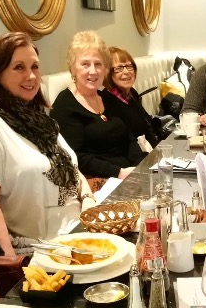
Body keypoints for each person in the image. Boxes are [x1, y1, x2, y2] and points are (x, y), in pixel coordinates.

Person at [0, 32, 95, 256]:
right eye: (19, 67)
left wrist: (88, 199)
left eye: (35, 66)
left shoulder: (37, 117)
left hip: (82, 231)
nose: (31, 76)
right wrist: (11, 266)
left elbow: (72, 166)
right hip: (43, 250)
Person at [51, 31, 144, 190]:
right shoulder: (64, 105)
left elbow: (129, 139)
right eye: (85, 64)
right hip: (95, 182)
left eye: (98, 64)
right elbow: (76, 156)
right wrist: (119, 172)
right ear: (73, 69)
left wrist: (141, 167)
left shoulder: (107, 98)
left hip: (128, 174)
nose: (93, 71)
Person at [104, 46, 161, 149]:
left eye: (129, 66)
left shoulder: (132, 93)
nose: (126, 72)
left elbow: (147, 129)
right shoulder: (106, 100)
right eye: (119, 68)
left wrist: (158, 151)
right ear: (108, 73)